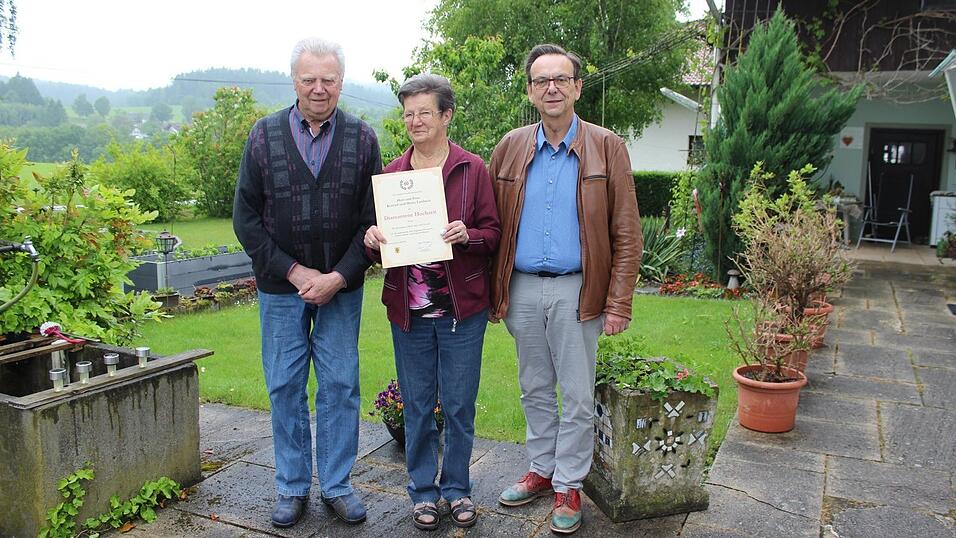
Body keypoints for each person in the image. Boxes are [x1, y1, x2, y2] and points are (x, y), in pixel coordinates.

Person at [488, 44, 642, 535]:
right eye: (540, 81)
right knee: (534, 385)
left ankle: (569, 483)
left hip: (580, 291)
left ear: (577, 87)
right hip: (523, 289)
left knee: (576, 394)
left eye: (561, 79)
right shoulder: (510, 146)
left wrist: (617, 302)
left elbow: (626, 232)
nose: (550, 88)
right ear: (531, 91)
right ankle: (541, 468)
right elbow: (489, 223)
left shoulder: (606, 146)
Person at [233, 37, 381, 529]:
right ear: (294, 80)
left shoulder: (363, 139)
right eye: (309, 79)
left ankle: (337, 485)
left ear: (341, 81)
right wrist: (295, 272)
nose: (319, 89)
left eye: (329, 79)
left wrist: (338, 277)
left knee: (340, 386)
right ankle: (292, 487)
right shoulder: (263, 135)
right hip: (281, 290)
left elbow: (373, 222)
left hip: (342, 288)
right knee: (284, 387)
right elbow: (246, 219)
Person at [363, 73, 500, 531]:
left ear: (446, 115)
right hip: (410, 312)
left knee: (459, 405)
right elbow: (376, 244)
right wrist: (371, 238)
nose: (415, 121)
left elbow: (493, 234)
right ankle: (423, 492)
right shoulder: (391, 176)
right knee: (418, 406)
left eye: (424, 112)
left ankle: (457, 489)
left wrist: (469, 234)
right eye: (408, 113)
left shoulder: (471, 169)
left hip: (462, 311)